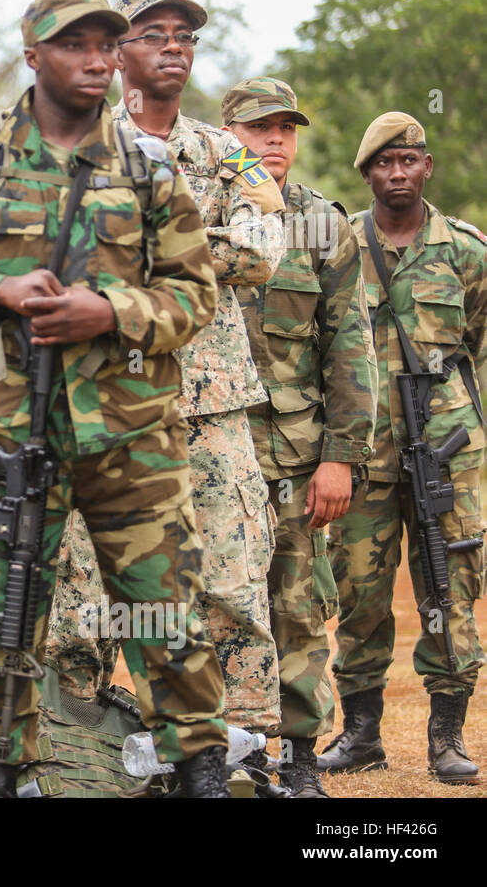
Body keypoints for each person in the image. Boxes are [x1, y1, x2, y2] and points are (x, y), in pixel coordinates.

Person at [0, 0, 231, 797]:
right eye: (75, 45)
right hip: (13, 435)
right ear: (32, 55)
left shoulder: (150, 165)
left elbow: (195, 297)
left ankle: (199, 767)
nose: (96, 60)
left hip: (131, 437)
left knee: (166, 612)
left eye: (105, 45)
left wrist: (108, 310)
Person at [45, 0, 288, 790]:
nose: (175, 47)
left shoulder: (224, 152)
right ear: (118, 54)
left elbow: (262, 245)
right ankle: (76, 758)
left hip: (210, 403)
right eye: (155, 34)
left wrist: (139, 261)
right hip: (103, 405)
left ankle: (231, 757)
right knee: (89, 592)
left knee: (230, 580)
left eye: (186, 35)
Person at [318, 112, 486, 785]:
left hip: (447, 451)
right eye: (384, 164)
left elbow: (475, 342)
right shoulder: (339, 247)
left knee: (451, 589)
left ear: (427, 167)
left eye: (409, 160)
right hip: (360, 451)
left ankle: (447, 738)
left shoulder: (468, 251)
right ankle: (360, 736)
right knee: (359, 594)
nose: (397, 173)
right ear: (367, 175)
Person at [221, 77, 378, 796]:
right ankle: (223, 754)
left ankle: (304, 758)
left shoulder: (321, 224)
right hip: (205, 453)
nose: (276, 139)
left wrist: (342, 457)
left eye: (286, 127)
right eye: (260, 127)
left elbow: (351, 348)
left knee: (298, 603)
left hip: (290, 454)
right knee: (210, 602)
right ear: (228, 136)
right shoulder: (193, 213)